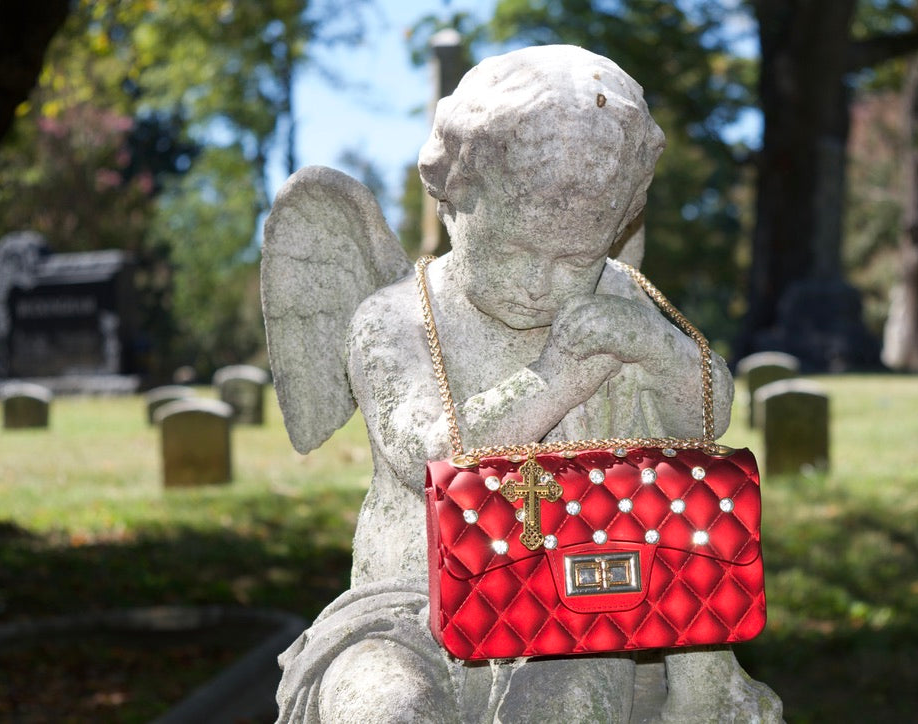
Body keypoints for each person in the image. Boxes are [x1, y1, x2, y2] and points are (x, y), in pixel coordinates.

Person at [275, 44, 779, 723]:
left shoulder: (617, 296)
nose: (542, 282)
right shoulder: (394, 318)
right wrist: (558, 378)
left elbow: (709, 411)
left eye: (574, 258)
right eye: (514, 253)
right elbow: (427, 453)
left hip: (575, 601)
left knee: (574, 701)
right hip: (411, 609)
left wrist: (656, 346)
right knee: (386, 707)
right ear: (453, 199)